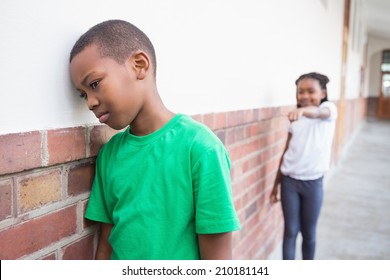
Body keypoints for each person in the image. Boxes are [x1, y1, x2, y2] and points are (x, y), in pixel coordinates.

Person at [69, 19, 240, 260]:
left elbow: (218, 260)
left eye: (95, 84)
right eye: (83, 95)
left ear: (139, 65)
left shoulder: (201, 147)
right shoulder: (109, 154)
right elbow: (106, 244)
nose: (90, 103)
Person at [270, 72, 337, 260]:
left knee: (309, 233)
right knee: (290, 231)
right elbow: (286, 150)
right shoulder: (295, 119)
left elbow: (319, 112)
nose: (305, 96)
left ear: (323, 93)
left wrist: (302, 111)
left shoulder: (329, 110)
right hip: (289, 182)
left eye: (311, 91)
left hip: (313, 183)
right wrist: (276, 184)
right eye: (301, 92)